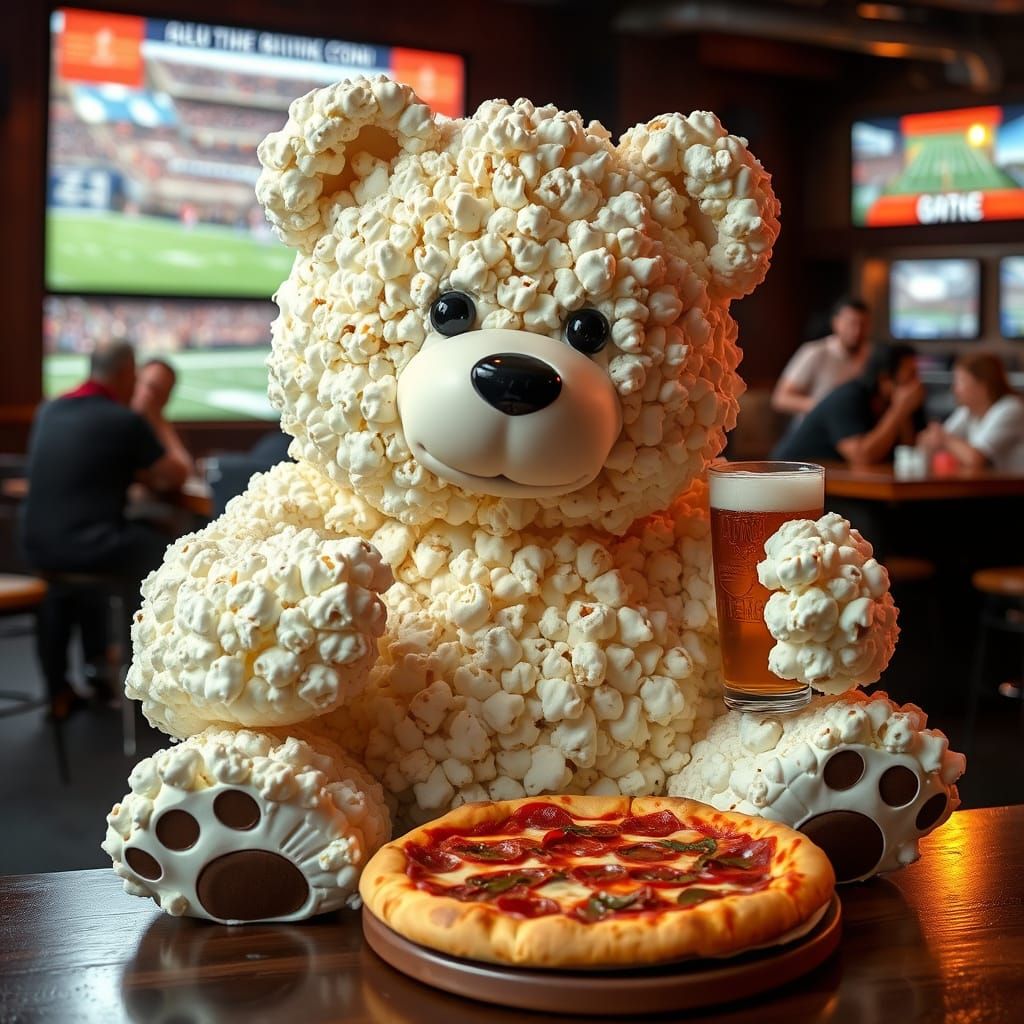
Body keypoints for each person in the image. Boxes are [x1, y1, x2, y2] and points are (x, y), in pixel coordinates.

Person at [20, 341, 188, 717]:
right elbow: (175, 474)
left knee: (77, 572)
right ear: (129, 373)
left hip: (36, 545)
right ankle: (141, 670)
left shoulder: (50, 410)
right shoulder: (123, 421)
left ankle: (64, 687)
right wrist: (152, 416)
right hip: (89, 546)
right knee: (167, 550)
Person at [772, 343, 926, 467]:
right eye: (911, 375)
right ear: (885, 379)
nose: (916, 383)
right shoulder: (847, 398)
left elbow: (908, 454)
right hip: (788, 478)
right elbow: (862, 456)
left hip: (838, 480)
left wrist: (904, 415)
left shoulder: (903, 403)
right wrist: (898, 411)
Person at [918, 352, 1024, 473]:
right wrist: (938, 439)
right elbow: (929, 444)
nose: (954, 389)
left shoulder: (1010, 408)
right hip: (991, 488)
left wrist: (944, 439)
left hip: (1015, 489)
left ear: (983, 386)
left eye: (960, 382)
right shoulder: (968, 410)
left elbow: (975, 458)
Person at [772, 296, 873, 421]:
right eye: (851, 323)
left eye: (863, 324)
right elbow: (780, 398)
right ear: (836, 323)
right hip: (816, 431)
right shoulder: (815, 352)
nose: (857, 331)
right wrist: (823, 406)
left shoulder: (872, 355)